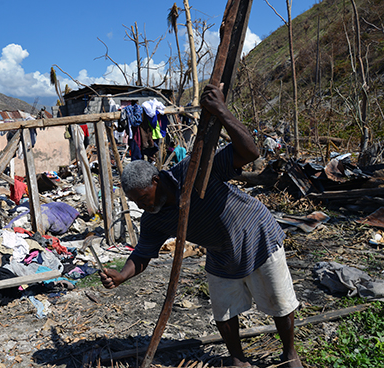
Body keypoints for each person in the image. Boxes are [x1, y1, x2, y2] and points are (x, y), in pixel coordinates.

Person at [100, 84, 302, 368]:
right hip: (220, 250)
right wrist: (122, 275)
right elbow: (143, 254)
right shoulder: (154, 218)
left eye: (144, 199)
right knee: (223, 309)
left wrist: (222, 111)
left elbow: (250, 152)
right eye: (136, 202)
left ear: (156, 181)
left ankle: (290, 353)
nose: (142, 206)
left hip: (255, 234)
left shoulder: (193, 169)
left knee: (278, 300)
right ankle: (237, 359)